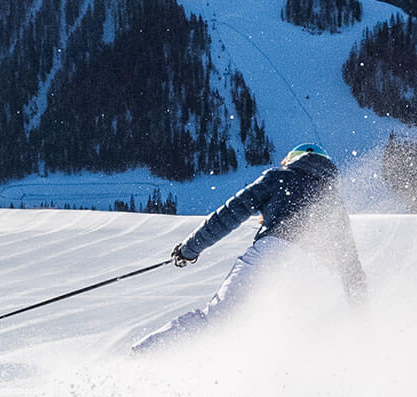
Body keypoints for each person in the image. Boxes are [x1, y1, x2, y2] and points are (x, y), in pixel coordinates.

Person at [132, 142, 367, 353]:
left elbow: (229, 214)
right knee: (277, 341)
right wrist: (362, 318)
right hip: (308, 274)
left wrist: (189, 249)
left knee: (218, 322)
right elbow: (350, 266)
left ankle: (143, 355)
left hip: (273, 254)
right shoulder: (334, 201)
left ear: (293, 160)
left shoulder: (280, 178)